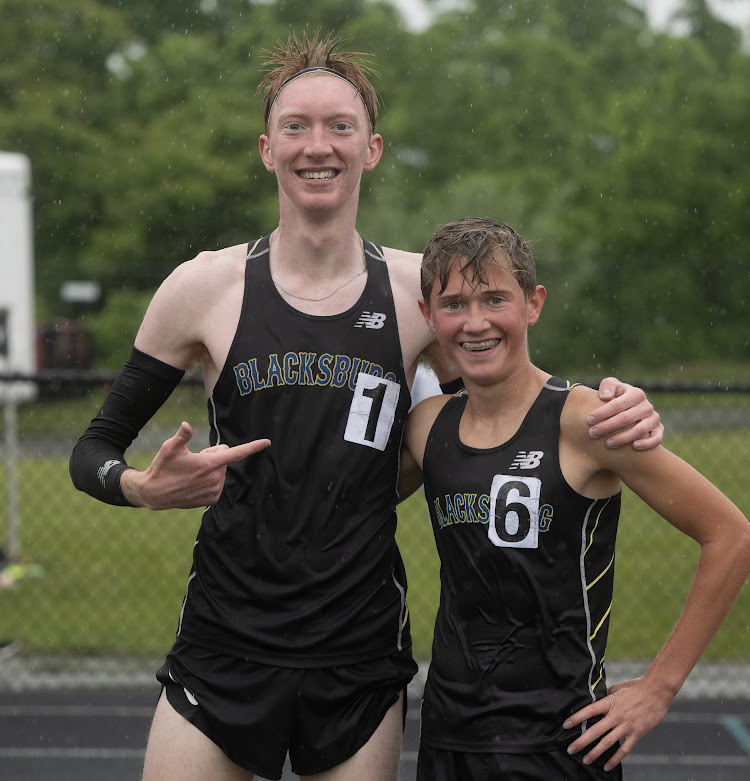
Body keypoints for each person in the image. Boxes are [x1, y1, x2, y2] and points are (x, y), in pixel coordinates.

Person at [69, 32, 664, 781]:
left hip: (358, 651)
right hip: (224, 641)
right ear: (266, 148)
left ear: (372, 149)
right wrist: (140, 487)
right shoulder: (202, 288)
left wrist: (614, 401)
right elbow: (91, 448)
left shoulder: (419, 295)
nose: (318, 146)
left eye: (339, 127)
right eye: (297, 127)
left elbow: (504, 407)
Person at [400, 217, 750, 780]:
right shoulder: (426, 428)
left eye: (495, 299)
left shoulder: (587, 420)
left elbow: (732, 538)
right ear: (428, 316)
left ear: (533, 304)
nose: (475, 323)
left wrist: (658, 687)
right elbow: (342, 500)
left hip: (562, 744)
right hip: (449, 740)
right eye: (453, 304)